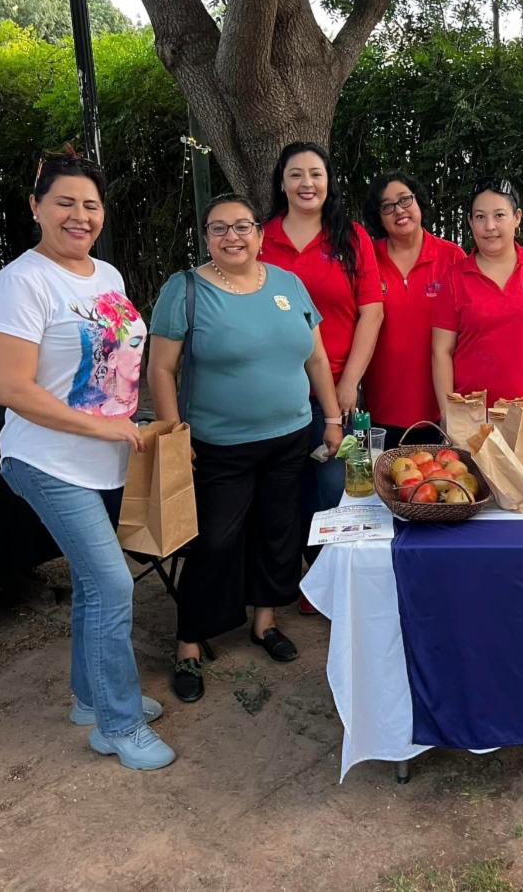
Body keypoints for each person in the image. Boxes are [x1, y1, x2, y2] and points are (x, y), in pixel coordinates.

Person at [0, 149, 174, 771]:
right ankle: (118, 725)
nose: (79, 215)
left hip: (101, 458)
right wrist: (101, 425)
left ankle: (91, 698)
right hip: (46, 459)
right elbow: (12, 388)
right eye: (64, 202)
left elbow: (113, 360)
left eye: (90, 204)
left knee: (93, 583)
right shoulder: (20, 284)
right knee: (112, 583)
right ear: (36, 207)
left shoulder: (106, 275)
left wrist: (127, 420)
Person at [148, 193, 343, 701]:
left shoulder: (288, 283)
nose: (231, 237)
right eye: (219, 228)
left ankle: (265, 621)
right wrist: (173, 432)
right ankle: (190, 642)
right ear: (206, 237)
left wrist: (332, 418)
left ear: (259, 233)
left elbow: (316, 359)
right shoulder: (185, 289)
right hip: (219, 444)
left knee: (278, 530)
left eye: (241, 226)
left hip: (290, 437)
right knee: (215, 540)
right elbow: (161, 368)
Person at [258, 141, 382, 613]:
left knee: (335, 489)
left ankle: (328, 584)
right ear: (281, 182)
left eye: (316, 173)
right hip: (274, 394)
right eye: (296, 174)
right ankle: (282, 582)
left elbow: (372, 312)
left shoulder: (350, 237)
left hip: (336, 392)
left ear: (329, 181)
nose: (306, 183)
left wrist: (349, 382)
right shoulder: (261, 238)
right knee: (281, 491)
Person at [432, 177, 523, 411]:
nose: (490, 226)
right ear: (470, 221)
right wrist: (449, 412)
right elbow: (441, 351)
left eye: (499, 215)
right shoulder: (454, 278)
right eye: (480, 217)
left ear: (517, 217)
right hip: (473, 415)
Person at [361, 171, 466, 449]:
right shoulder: (367, 258)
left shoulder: (452, 257)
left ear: (418, 201)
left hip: (440, 409)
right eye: (387, 206)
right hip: (382, 407)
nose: (399, 210)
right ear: (378, 217)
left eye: (404, 200)